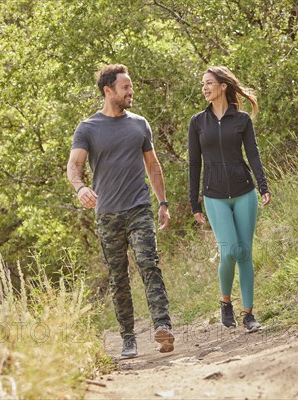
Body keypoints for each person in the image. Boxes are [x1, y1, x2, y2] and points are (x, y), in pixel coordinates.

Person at [67, 64, 175, 358]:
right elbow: (74, 166)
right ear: (108, 91)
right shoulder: (87, 128)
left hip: (139, 207)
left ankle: (163, 326)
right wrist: (80, 188)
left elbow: (153, 166)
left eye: (131, 87)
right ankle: (128, 338)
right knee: (118, 276)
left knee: (148, 264)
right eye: (125, 87)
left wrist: (163, 203)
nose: (131, 92)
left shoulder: (139, 124)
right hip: (108, 214)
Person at [188, 66, 271, 333]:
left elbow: (254, 154)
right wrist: (194, 202)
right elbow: (194, 163)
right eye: (203, 84)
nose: (204, 88)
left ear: (223, 86)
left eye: (209, 83)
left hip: (244, 192)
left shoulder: (242, 120)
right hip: (214, 196)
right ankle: (226, 302)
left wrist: (263, 185)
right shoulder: (198, 122)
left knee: (245, 252)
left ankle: (248, 313)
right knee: (230, 250)